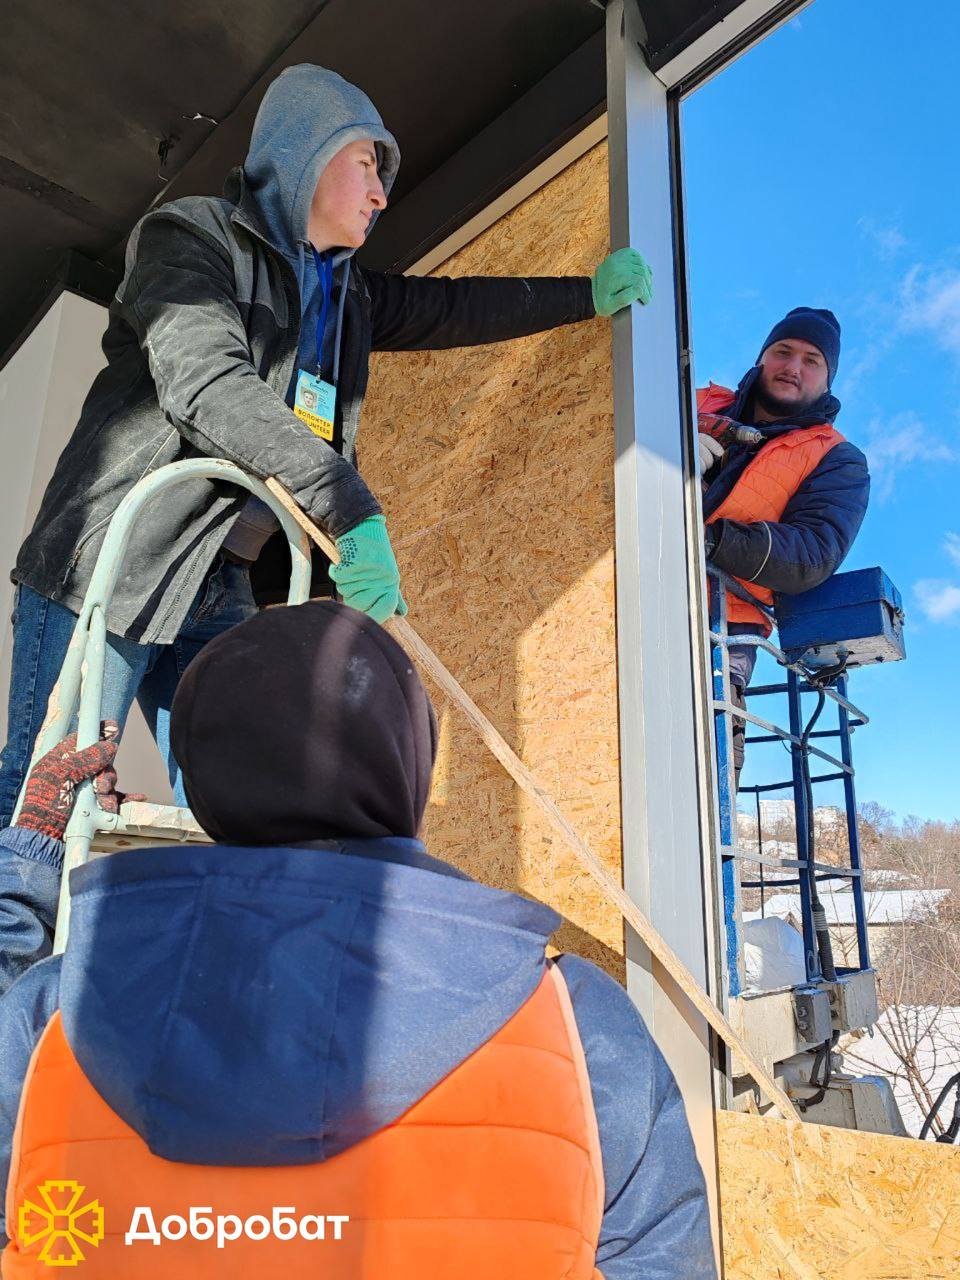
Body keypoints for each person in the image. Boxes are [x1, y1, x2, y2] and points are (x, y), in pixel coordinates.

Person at [0, 64, 653, 986]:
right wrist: (347, 510)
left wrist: (583, 294)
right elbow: (206, 380)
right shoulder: (189, 240)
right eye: (367, 164)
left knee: (255, 798)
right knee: (45, 807)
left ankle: (241, 1010)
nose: (385, 192)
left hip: (215, 586)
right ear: (302, 158)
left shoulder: (346, 297)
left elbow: (458, 307)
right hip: (116, 565)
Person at [0, 602, 716, 1278]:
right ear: (410, 767)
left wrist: (30, 858)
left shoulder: (56, 1009)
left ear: (202, 774)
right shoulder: (574, 1022)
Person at [697, 308, 869, 785]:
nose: (793, 366)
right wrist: (671, 449)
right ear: (762, 357)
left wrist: (704, 537)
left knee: (702, 780)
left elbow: (813, 552)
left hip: (720, 629)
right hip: (612, 588)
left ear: (828, 379)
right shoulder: (691, 400)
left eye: (812, 360)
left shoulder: (837, 458)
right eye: (783, 351)